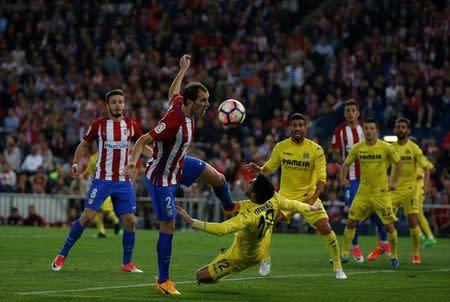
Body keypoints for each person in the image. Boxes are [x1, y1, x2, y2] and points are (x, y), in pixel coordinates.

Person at [127, 54, 212, 295]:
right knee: (169, 225)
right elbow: (143, 138)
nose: (207, 104)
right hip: (161, 179)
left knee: (218, 178)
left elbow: (173, 91)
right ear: (191, 101)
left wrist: (183, 69)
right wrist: (133, 163)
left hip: (176, 169)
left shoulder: (180, 104)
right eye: (203, 100)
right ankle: (163, 281)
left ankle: (230, 207)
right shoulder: (175, 121)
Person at [51, 88, 143, 273]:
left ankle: (127, 264)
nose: (118, 104)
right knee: (88, 217)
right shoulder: (99, 125)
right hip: (101, 180)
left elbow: (142, 144)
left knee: (130, 221)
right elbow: (84, 144)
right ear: (107, 105)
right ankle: (62, 255)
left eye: (121, 101)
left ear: (124, 104)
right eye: (114, 102)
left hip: (123, 181)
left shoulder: (132, 125)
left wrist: (156, 156)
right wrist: (76, 164)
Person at [246, 113, 346, 279]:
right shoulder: (281, 147)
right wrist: (260, 170)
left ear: (306, 127)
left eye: (301, 125)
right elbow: (270, 167)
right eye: (294, 125)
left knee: (326, 228)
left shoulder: (316, 150)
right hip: (285, 196)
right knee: (267, 223)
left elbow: (322, 179)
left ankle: (338, 267)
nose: (298, 128)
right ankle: (265, 259)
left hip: (309, 195)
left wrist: (313, 199)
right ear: (289, 128)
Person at [176, 174, 327, 283]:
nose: (249, 181)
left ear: (254, 195)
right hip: (262, 240)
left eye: (252, 183)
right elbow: (294, 204)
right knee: (268, 228)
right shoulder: (273, 197)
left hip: (243, 256)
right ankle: (266, 258)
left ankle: (225, 268)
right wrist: (311, 207)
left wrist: (191, 221)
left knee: (200, 276)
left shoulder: (248, 217)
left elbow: (221, 229)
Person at [331, 99, 390, 263]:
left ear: (358, 113)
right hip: (351, 178)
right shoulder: (339, 131)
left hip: (371, 178)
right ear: (345, 113)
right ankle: (354, 245)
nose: (350, 113)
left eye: (353, 110)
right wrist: (342, 168)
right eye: (347, 110)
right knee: (353, 212)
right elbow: (335, 152)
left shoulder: (366, 128)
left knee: (378, 208)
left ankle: (383, 241)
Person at [340, 118, 402, 267]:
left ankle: (394, 256)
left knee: (389, 226)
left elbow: (398, 162)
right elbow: (346, 163)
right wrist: (343, 178)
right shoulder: (358, 147)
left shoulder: (386, 147)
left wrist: (394, 182)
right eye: (366, 128)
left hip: (381, 194)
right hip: (363, 193)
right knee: (351, 221)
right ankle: (344, 253)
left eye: (372, 128)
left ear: (377, 130)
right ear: (364, 130)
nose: (369, 131)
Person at [369, 117, 428, 264]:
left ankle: (416, 254)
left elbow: (426, 167)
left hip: (410, 191)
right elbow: (383, 166)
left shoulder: (414, 148)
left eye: (403, 127)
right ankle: (381, 246)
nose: (400, 129)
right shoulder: (391, 148)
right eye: (398, 127)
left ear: (408, 130)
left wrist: (425, 186)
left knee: (413, 222)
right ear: (395, 129)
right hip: (393, 190)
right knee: (383, 220)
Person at [80, 152, 121, 238]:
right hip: (96, 186)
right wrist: (82, 175)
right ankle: (101, 231)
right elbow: (88, 170)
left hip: (107, 185)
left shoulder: (110, 154)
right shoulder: (93, 157)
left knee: (106, 210)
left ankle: (116, 221)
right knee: (95, 210)